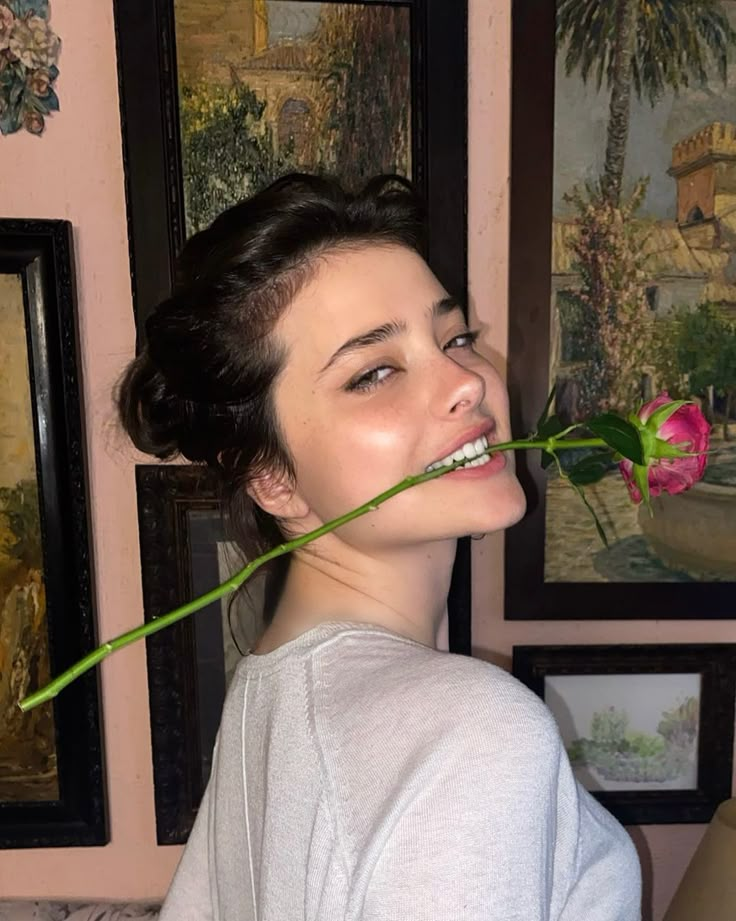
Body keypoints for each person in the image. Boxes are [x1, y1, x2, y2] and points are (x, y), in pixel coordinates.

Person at [117, 173, 642, 920]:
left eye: (454, 336)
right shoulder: (468, 735)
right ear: (274, 479)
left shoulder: (266, 695)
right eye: (375, 372)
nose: (466, 381)